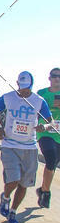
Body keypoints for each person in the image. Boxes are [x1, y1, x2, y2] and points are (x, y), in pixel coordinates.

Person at [0, 71, 52, 223]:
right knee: (14, 179)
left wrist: (44, 126)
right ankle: (5, 198)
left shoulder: (39, 101)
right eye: (21, 87)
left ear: (31, 85)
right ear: (17, 84)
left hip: (30, 147)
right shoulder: (8, 97)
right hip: (10, 144)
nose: (23, 91)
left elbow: (50, 121)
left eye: (26, 88)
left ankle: (13, 212)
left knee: (24, 183)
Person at [35, 67, 60, 208]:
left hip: (58, 134)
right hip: (45, 132)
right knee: (50, 156)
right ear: (49, 78)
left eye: (59, 76)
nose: (57, 78)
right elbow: (34, 111)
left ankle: (43, 190)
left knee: (53, 164)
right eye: (54, 76)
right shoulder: (42, 93)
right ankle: (47, 193)